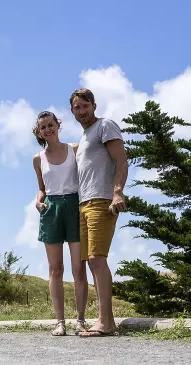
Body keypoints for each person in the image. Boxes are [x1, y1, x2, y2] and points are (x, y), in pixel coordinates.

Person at [69, 88, 129, 337]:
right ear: (72, 111)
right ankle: (107, 321)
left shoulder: (105, 126)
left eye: (85, 106)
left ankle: (104, 322)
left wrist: (118, 192)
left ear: (94, 105)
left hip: (101, 200)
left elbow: (121, 160)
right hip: (83, 204)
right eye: (77, 108)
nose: (82, 111)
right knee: (91, 262)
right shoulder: (84, 138)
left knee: (97, 258)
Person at [31, 110, 90, 336]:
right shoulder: (38, 159)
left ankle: (81, 321)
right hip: (51, 209)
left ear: (58, 125)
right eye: (43, 127)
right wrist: (38, 201)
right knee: (55, 269)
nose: (48, 129)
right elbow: (42, 188)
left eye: (50, 124)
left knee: (78, 268)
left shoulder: (74, 149)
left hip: (74, 205)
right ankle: (60, 322)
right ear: (39, 132)